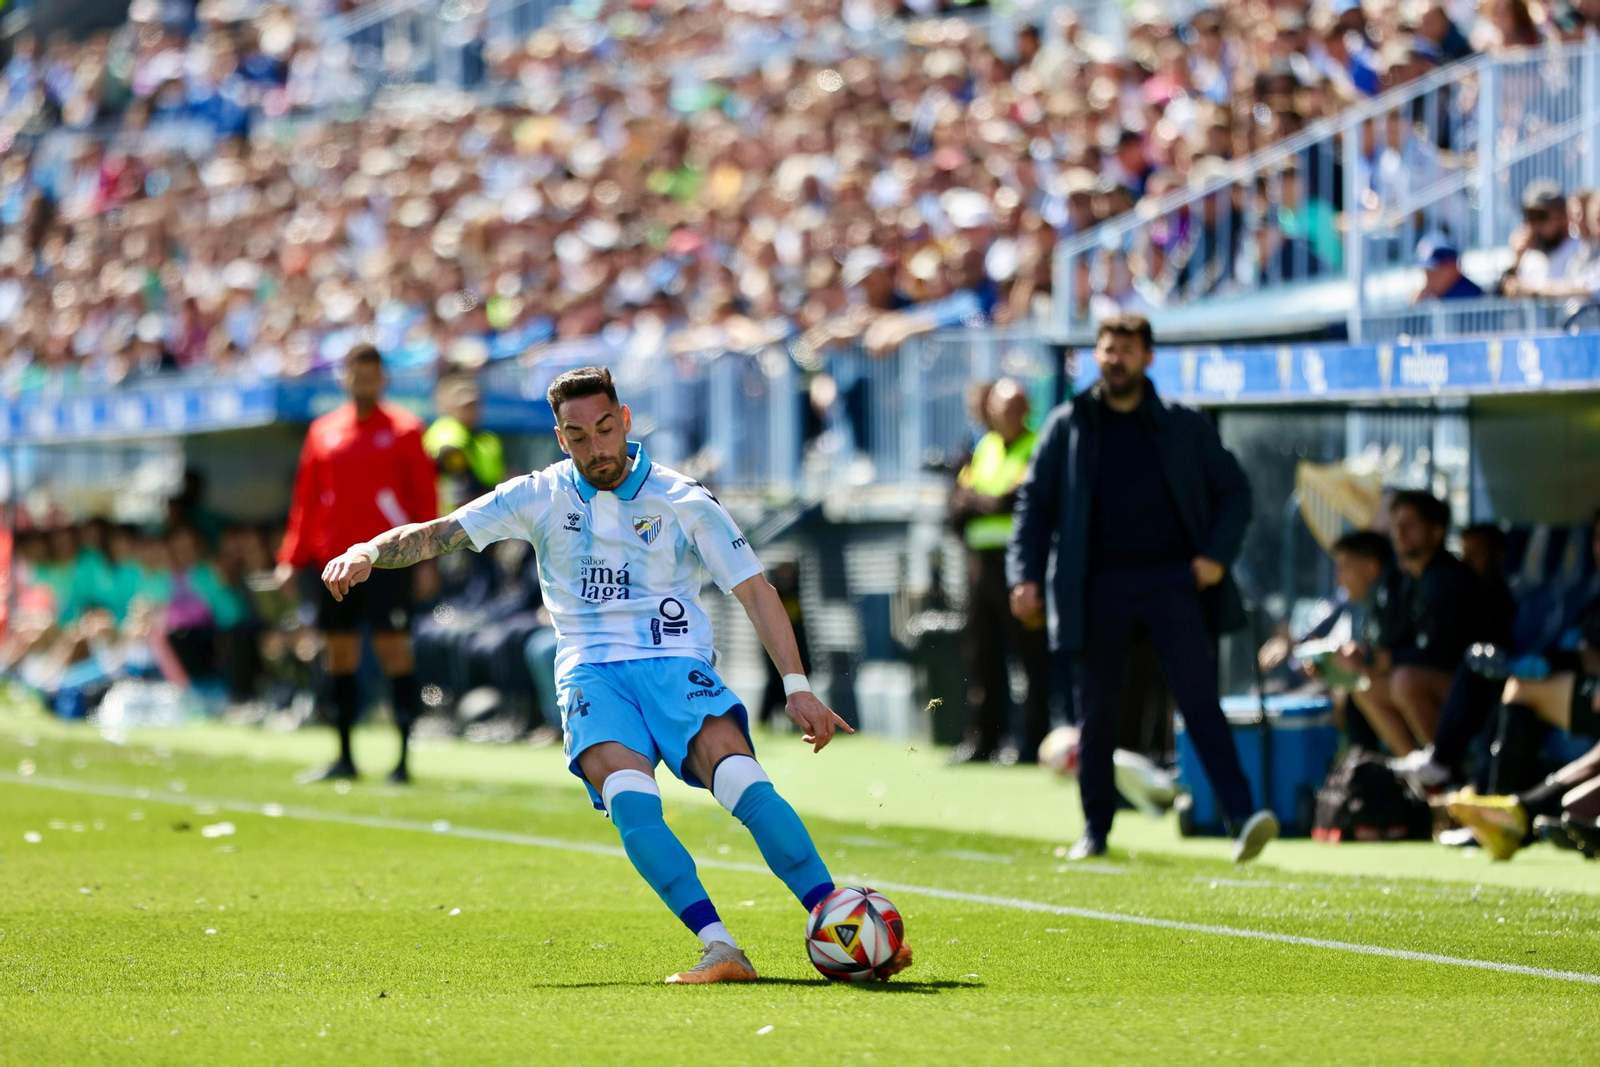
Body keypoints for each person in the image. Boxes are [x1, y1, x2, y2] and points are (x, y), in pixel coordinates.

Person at [318, 366, 910, 985]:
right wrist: (370, 551)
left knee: (739, 777)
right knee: (632, 804)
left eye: (604, 429)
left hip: (674, 663)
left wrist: (797, 688)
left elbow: (756, 592)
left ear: (624, 420)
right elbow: (443, 533)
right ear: (560, 437)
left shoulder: (684, 499)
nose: (595, 447)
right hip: (591, 673)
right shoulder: (539, 493)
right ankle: (721, 948)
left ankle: (841, 922)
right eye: (578, 436)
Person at [1007, 314, 1279, 863]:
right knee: (1097, 715)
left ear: (1148, 357)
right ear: (1096, 356)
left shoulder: (1184, 425)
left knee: (1201, 703)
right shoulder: (1069, 424)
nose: (1116, 359)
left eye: (1127, 350)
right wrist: (1025, 575)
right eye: (1108, 350)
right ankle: (1095, 831)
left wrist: (1214, 559)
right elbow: (1033, 506)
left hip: (1172, 582)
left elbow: (1236, 492)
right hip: (1097, 586)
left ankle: (1242, 819)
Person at [276, 343, 437, 784]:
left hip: (388, 563)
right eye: (356, 375)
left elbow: (425, 500)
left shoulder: (406, 430)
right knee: (338, 654)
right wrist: (292, 558)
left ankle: (403, 761)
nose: (363, 383)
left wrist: (427, 558)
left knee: (393, 650)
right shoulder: (323, 432)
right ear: (344, 378)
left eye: (371, 376)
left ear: (382, 379)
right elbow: (306, 500)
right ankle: (344, 756)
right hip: (332, 563)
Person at [1347, 491, 1497, 759]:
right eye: (1395, 525)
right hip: (1441, 682)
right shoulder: (1410, 580)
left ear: (1437, 532)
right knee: (1365, 686)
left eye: (1410, 525)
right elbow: (1400, 639)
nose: (1400, 533)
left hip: (1478, 687)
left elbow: (1442, 653)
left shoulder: (1448, 580)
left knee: (1405, 681)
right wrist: (1368, 657)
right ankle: (1418, 774)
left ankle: (1447, 770)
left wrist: (1390, 659)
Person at [947, 377, 1050, 766]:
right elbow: (958, 503)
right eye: (1000, 408)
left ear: (1026, 410)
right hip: (980, 565)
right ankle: (983, 738)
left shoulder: (1035, 445)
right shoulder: (983, 446)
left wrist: (980, 501)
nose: (1005, 415)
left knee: (1031, 657)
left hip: (1020, 562)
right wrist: (983, 501)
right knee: (982, 655)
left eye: (1013, 408)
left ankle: (1032, 741)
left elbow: (1015, 500)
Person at [1412, 238, 1483, 302]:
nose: (1429, 281)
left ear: (1453, 266)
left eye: (1434, 272)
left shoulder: (1466, 296)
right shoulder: (1435, 296)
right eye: (1427, 272)